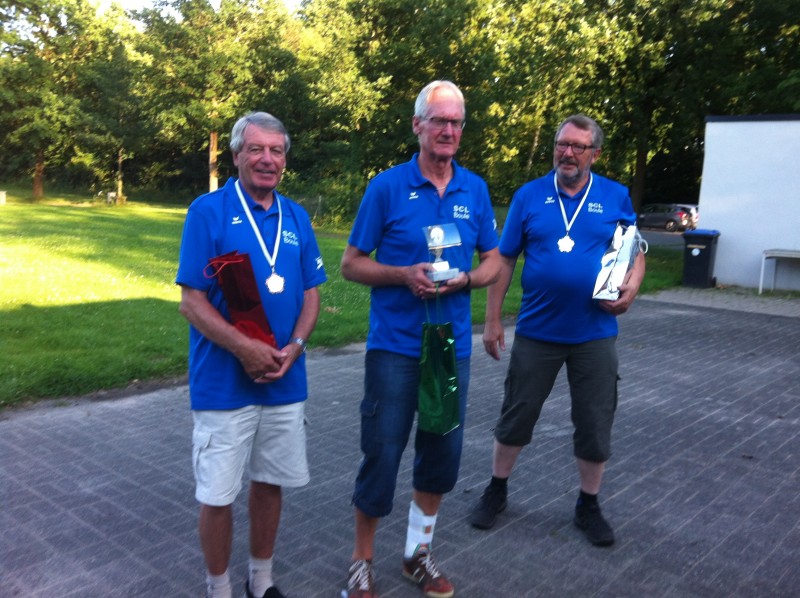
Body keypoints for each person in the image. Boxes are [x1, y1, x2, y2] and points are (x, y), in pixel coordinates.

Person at [340, 80, 501, 598]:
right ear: (418, 126)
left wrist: (468, 280)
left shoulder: (474, 189)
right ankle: (362, 560)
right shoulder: (387, 187)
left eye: (456, 122)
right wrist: (401, 274)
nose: (448, 130)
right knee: (381, 453)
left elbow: (494, 260)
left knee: (440, 454)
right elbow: (351, 264)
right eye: (439, 121)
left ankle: (417, 554)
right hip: (395, 347)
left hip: (449, 349)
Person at [469, 114, 645, 548]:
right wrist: (492, 319)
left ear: (594, 154)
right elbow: (504, 259)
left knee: (594, 420)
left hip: (594, 332)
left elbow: (634, 249)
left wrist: (632, 287)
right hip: (537, 330)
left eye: (577, 147)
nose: (567, 153)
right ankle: (496, 490)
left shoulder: (615, 195)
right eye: (561, 144)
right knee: (517, 413)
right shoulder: (529, 196)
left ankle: (589, 504)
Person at [176, 112, 327, 598]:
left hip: (285, 380)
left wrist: (295, 348)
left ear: (285, 159)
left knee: (269, 483)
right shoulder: (208, 211)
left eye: (276, 151)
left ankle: (261, 580)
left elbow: (311, 293)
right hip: (224, 385)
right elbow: (191, 301)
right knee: (217, 494)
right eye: (257, 149)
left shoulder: (296, 216)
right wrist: (244, 349)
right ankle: (218, 587)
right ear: (237, 154)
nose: (267, 159)